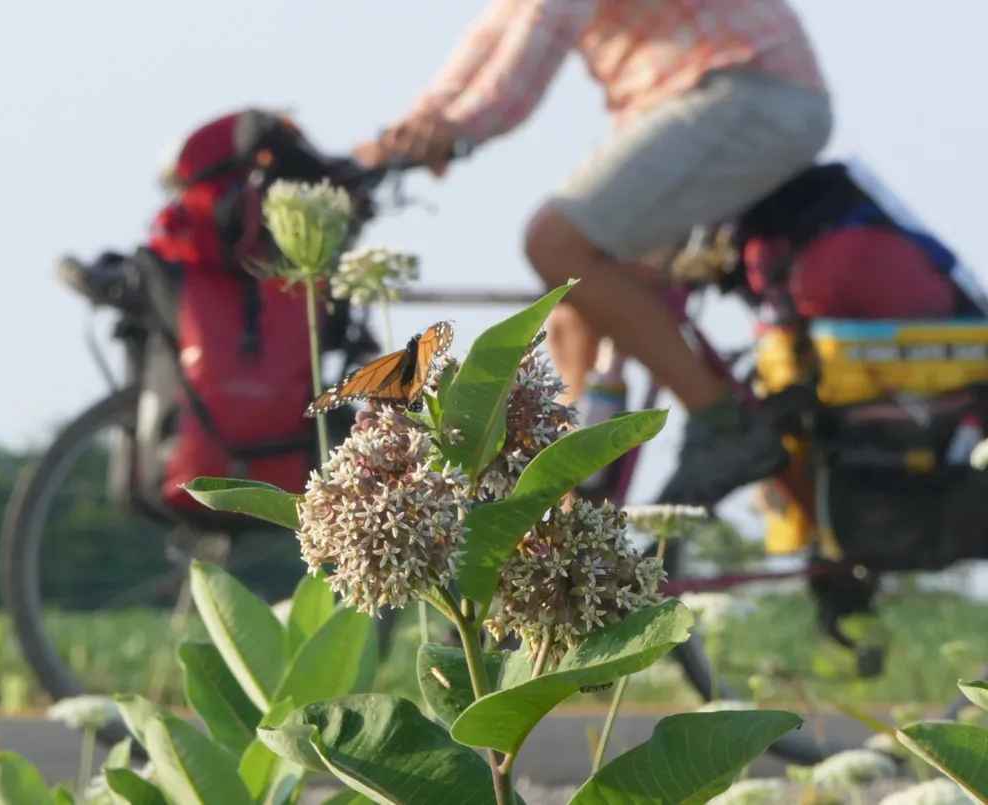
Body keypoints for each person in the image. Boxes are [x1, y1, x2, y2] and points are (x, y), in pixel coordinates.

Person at [353, 0, 834, 507]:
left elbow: (544, 25)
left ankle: (723, 426)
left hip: (748, 90)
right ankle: (577, 510)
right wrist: (419, 123)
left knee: (557, 245)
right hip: (697, 100)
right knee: (575, 308)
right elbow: (499, 25)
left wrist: (459, 127)